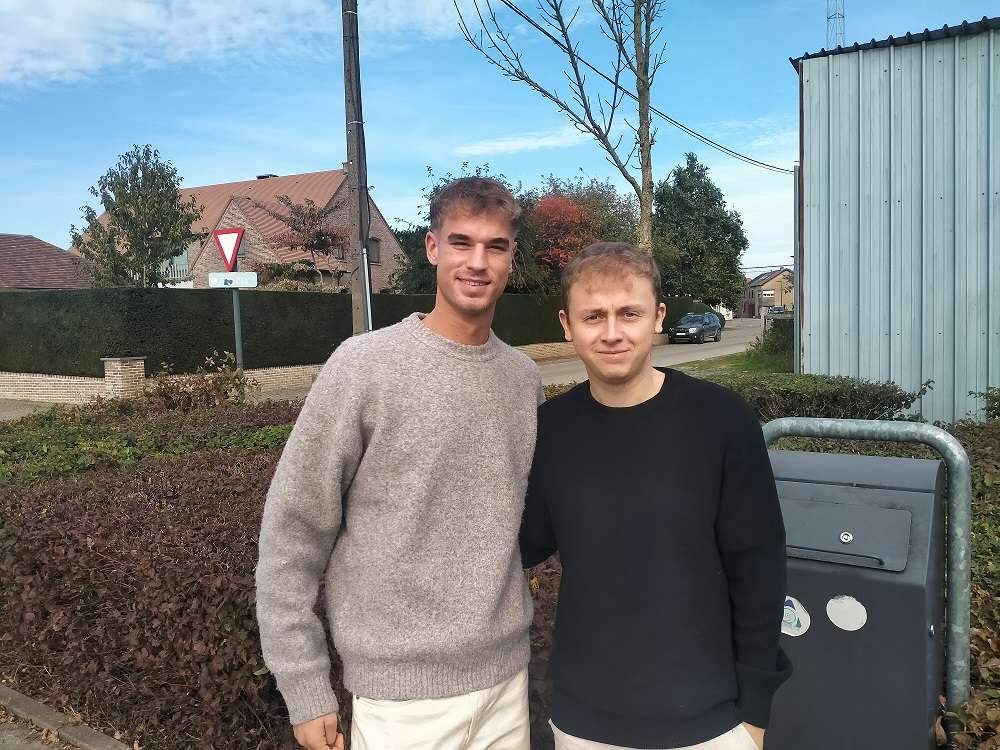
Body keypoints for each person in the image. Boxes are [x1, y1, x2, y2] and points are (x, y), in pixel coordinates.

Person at [256, 177, 540, 750]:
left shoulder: (523, 380)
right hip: (398, 700)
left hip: (507, 684)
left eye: (495, 246)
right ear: (432, 249)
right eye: (461, 243)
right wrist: (305, 688)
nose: (477, 262)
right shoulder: (364, 368)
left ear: (512, 258)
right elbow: (293, 532)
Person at [520, 242, 791, 750]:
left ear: (658, 316)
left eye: (629, 313)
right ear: (567, 324)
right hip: (584, 718)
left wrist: (755, 710)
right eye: (593, 316)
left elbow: (759, 567)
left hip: (707, 720)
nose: (612, 332)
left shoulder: (720, 420)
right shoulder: (551, 430)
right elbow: (523, 542)